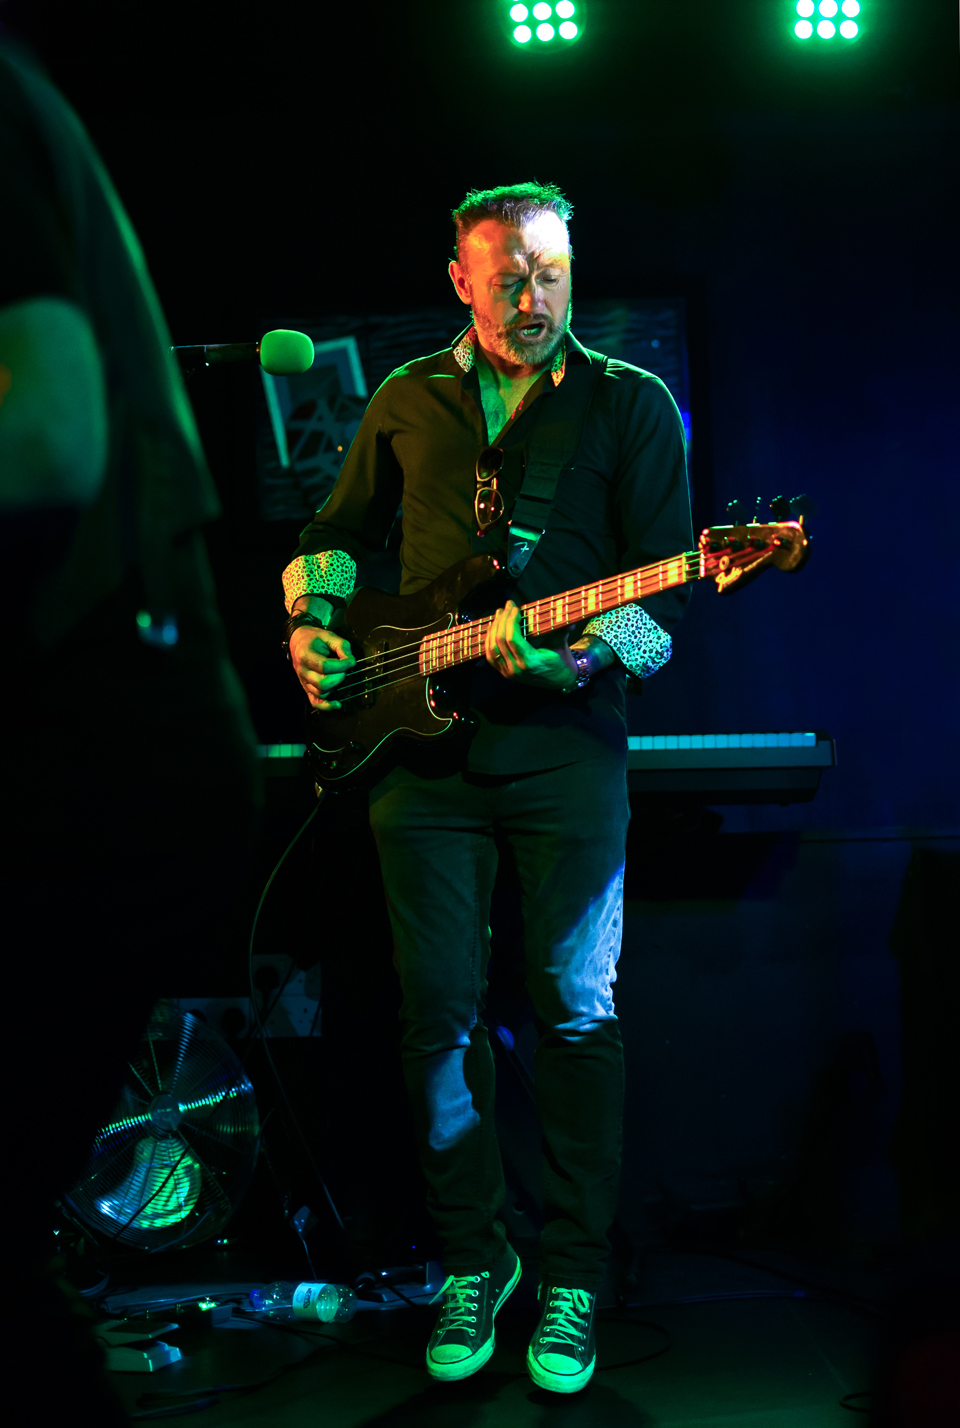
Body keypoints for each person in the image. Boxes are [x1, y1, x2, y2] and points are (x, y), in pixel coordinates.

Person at [282, 182, 693, 1394]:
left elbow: (663, 615)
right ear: (460, 279)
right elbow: (333, 535)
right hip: (418, 757)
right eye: (508, 276)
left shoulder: (631, 406)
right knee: (436, 1019)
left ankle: (569, 1278)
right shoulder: (407, 397)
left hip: (566, 755)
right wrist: (311, 624)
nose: (533, 298)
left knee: (575, 1012)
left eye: (553, 274)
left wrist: (577, 652)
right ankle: (475, 1258)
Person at [0, 29, 260, 1422]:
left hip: (89, 750)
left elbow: (45, 435)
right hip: (130, 743)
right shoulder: (408, 411)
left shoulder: (624, 412)